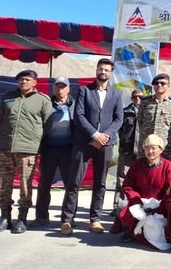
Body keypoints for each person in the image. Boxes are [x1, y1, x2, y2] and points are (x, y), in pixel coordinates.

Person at [60, 58, 123, 235]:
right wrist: (94, 135)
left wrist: (105, 136)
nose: (103, 72)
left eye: (106, 70)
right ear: (96, 70)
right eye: (100, 69)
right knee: (74, 182)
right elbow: (78, 115)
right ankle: (67, 220)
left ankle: (95, 220)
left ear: (111, 73)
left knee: (100, 183)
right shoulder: (84, 91)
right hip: (84, 142)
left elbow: (119, 119)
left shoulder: (116, 94)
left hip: (106, 144)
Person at [0, 69, 52, 234]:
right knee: (3, 184)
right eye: (20, 80)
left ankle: (22, 218)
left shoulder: (42, 100)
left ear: (34, 82)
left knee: (25, 185)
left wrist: (34, 141)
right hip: (6, 147)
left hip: (28, 149)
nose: (23, 82)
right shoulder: (7, 97)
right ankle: (5, 218)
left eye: (26, 79)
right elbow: (0, 119)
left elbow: (48, 125)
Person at [115, 134, 171, 249]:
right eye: (147, 148)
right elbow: (128, 185)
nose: (150, 151)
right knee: (122, 204)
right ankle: (129, 231)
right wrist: (137, 200)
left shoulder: (168, 167)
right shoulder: (137, 165)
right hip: (139, 202)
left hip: (160, 204)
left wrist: (158, 206)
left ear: (161, 149)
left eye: (153, 148)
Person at [29, 77, 75, 228]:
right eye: (58, 87)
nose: (60, 90)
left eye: (63, 87)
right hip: (49, 149)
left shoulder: (75, 104)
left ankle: (67, 219)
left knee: (70, 185)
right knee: (44, 185)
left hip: (68, 150)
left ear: (69, 89)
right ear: (54, 89)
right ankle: (41, 217)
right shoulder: (47, 104)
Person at [109, 88, 143, 217]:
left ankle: (136, 205)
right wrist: (123, 143)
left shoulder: (147, 111)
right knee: (121, 180)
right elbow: (119, 130)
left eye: (140, 97)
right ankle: (117, 206)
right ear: (131, 98)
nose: (137, 99)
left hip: (141, 153)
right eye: (135, 97)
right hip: (127, 151)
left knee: (140, 180)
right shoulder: (125, 112)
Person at [136, 73, 171, 160]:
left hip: (165, 146)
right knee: (143, 169)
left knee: (164, 170)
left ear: (168, 86)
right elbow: (140, 121)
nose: (159, 85)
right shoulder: (145, 102)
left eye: (163, 83)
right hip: (146, 144)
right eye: (156, 83)